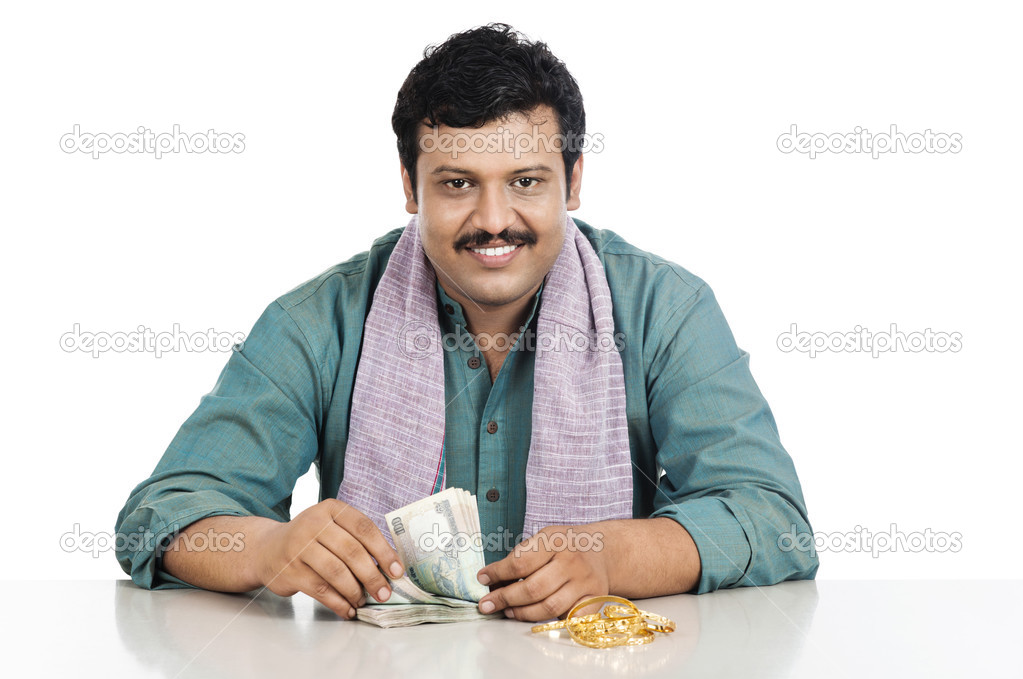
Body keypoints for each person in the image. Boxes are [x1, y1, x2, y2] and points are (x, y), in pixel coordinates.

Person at [115, 22, 818, 622]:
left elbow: (772, 517)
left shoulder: (665, 309)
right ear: (408, 185)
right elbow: (160, 514)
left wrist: (615, 555)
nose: (491, 220)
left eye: (526, 181)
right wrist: (271, 549)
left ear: (573, 181)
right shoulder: (319, 319)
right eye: (456, 184)